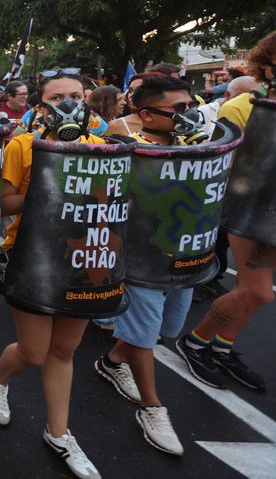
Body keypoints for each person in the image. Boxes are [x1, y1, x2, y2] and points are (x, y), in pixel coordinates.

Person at [0, 69, 104, 479]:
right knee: (34, 352)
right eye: (58, 98)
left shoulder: (102, 148)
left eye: (76, 95)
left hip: (84, 259)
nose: (69, 104)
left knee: (64, 351)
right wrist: (47, 185)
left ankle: (59, 433)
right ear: (41, 107)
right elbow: (2, 205)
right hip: (32, 255)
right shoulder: (21, 146)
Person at [94, 77, 205, 457]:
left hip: (183, 258)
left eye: (190, 105)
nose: (188, 115)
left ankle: (111, 361)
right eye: (178, 110)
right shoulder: (125, 150)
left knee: (166, 330)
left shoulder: (197, 149)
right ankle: (152, 407)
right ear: (145, 115)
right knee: (145, 338)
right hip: (140, 262)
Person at [176, 32, 276, 393]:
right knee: (260, 292)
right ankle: (195, 340)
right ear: (267, 64)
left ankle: (221, 347)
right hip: (248, 209)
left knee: (254, 293)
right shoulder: (242, 106)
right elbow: (222, 160)